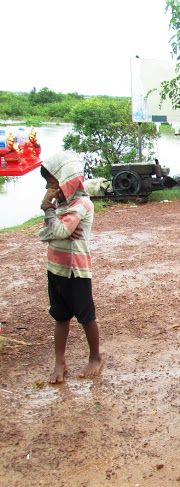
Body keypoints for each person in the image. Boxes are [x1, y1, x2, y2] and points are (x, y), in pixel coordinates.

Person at [38, 152, 103, 383]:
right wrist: (57, 229)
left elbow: (59, 232)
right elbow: (44, 233)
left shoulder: (83, 204)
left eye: (51, 181)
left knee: (86, 317)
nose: (48, 187)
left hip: (76, 271)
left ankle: (95, 357)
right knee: (60, 316)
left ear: (66, 179)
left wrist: (48, 212)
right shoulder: (61, 205)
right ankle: (59, 361)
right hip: (55, 269)